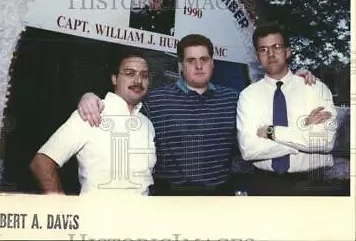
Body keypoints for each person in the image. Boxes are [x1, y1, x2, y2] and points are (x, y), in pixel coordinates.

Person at [77, 34, 316, 196]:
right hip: (167, 198)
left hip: (219, 196)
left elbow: (267, 123)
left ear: (213, 63)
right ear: (181, 65)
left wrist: (292, 80)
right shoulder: (155, 99)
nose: (198, 66)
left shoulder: (235, 99)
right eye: (191, 60)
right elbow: (122, 103)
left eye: (204, 59)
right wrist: (89, 96)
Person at [30, 51, 156, 195]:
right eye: (129, 73)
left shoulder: (146, 124)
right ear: (114, 78)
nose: (138, 81)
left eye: (144, 76)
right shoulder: (91, 113)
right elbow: (41, 163)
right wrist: (61, 209)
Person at [236, 22, 337, 196]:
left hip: (313, 184)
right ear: (257, 56)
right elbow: (248, 150)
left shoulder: (315, 89)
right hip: (265, 184)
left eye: (276, 47)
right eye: (263, 49)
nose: (271, 54)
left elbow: (324, 141)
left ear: (288, 51)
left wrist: (271, 132)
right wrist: (303, 130)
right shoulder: (248, 96)